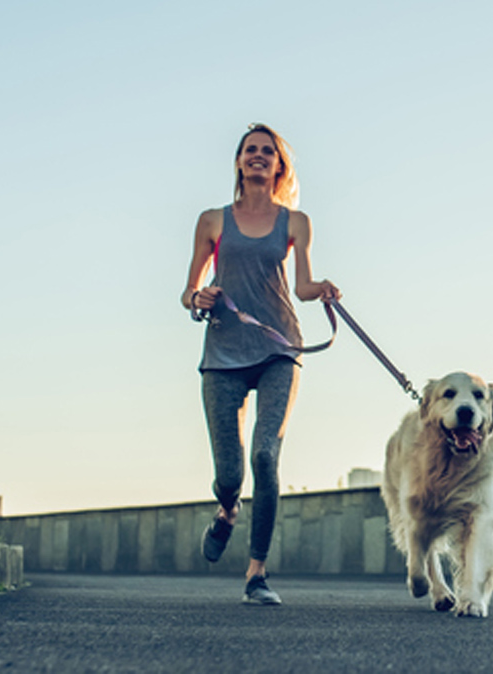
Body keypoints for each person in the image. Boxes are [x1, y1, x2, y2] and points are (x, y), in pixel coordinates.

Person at [181, 123, 340, 605]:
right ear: (238, 162)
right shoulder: (212, 221)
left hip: (278, 349)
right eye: (250, 150)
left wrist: (324, 291)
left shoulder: (295, 222)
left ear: (279, 166)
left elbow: (302, 287)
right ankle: (227, 511)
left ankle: (257, 573)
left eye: (267, 152)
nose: (257, 156)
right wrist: (199, 295)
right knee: (230, 475)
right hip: (224, 354)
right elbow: (188, 290)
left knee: (266, 455)